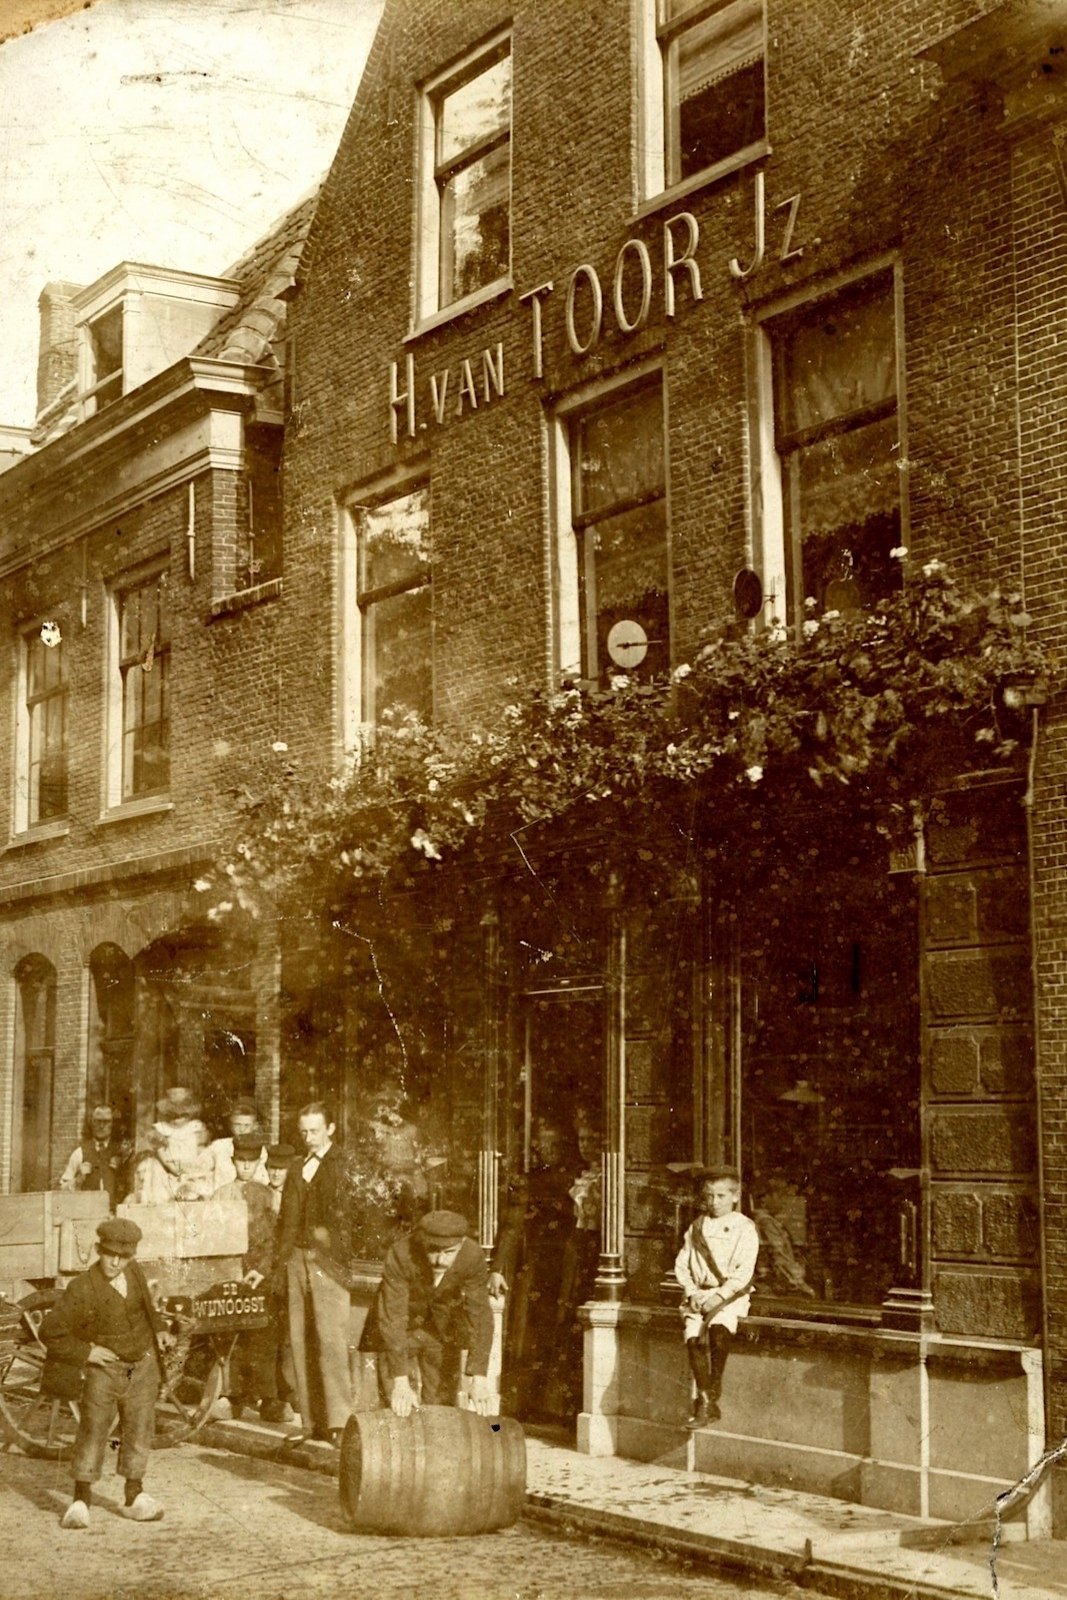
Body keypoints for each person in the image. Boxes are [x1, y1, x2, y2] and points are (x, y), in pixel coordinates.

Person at [40, 1216, 171, 1528]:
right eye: (110, 1254)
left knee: (139, 1430)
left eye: (124, 1256)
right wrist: (88, 1352)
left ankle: (133, 1495)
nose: (116, 1262)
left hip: (141, 1366)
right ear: (99, 1249)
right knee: (93, 1431)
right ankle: (81, 1500)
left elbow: (149, 1309)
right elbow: (50, 1331)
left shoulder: (135, 1273)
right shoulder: (81, 1288)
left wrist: (162, 1329)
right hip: (105, 1372)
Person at [489, 1117, 581, 1422]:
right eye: (543, 1144)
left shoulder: (578, 1179)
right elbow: (513, 1227)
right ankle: (526, 1403)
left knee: (561, 1330)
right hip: (536, 1268)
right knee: (528, 1332)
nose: (548, 1150)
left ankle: (558, 1407)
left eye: (555, 1144)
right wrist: (499, 1267)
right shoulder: (528, 1181)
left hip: (568, 1266)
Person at [364, 1210, 494, 1417]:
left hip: (441, 1331)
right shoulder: (401, 1253)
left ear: (461, 1244)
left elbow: (480, 1315)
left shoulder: (472, 1255)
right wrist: (400, 1381)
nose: (439, 1260)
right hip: (399, 1330)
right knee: (397, 1406)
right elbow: (392, 1317)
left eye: (449, 1252)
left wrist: (479, 1377)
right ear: (422, 1241)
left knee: (442, 1408)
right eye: (433, 1250)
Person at [275, 1102, 352, 1444]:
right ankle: (310, 1422)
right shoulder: (295, 1167)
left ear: (331, 1129)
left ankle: (339, 1423)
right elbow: (286, 1221)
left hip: (329, 1263)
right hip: (296, 1259)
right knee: (299, 1339)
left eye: (315, 1131)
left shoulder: (344, 1165)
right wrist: (280, 1261)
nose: (308, 1138)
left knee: (331, 1340)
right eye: (304, 1131)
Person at [674, 1167, 760, 1430]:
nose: (714, 1202)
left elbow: (744, 1272)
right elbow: (683, 1264)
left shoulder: (744, 1227)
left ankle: (713, 1389)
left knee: (719, 1330)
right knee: (693, 1339)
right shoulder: (697, 1227)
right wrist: (692, 1293)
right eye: (710, 1196)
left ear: (735, 1197)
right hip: (700, 1294)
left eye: (721, 1196)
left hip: (730, 1294)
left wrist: (719, 1296)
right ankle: (706, 1398)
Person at [212, 1136, 283, 1421]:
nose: (246, 1166)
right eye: (241, 1161)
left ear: (259, 1163)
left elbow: (274, 1241)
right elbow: (212, 1236)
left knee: (262, 1336)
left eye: (251, 1162)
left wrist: (263, 1269)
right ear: (233, 1162)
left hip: (259, 1276)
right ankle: (232, 1396)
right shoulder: (221, 1194)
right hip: (231, 1273)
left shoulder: (269, 1196)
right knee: (231, 1335)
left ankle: (267, 1399)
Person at [132, 1086, 213, 1202]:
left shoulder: (196, 1128)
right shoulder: (161, 1130)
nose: (178, 1119)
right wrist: (179, 1173)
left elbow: (202, 1154)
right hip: (169, 1173)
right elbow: (165, 1160)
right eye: (174, 1115)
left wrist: (194, 1171)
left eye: (183, 1115)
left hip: (194, 1171)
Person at [57, 1104, 132, 1208]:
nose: (101, 1126)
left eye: (106, 1122)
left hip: (115, 1214)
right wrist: (78, 1180)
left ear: (113, 1124)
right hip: (88, 1214)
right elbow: (62, 1188)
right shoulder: (80, 1152)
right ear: (92, 1123)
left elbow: (133, 1188)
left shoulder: (122, 1152)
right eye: (98, 1121)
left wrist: (122, 1167)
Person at [203, 1097, 268, 1193]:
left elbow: (262, 1180)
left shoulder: (259, 1150)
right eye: (238, 1125)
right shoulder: (218, 1146)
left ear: (255, 1126)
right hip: (221, 1199)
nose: (242, 1130)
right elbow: (201, 1170)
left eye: (246, 1125)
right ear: (231, 1126)